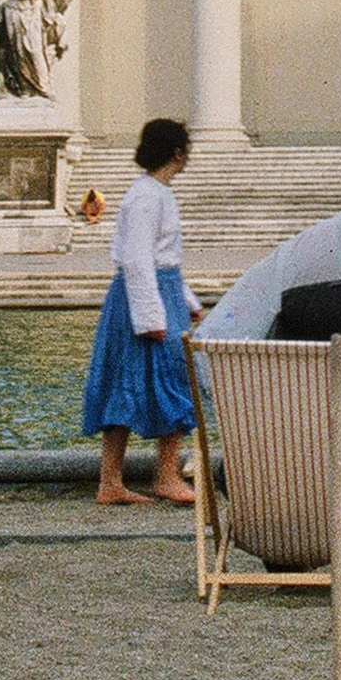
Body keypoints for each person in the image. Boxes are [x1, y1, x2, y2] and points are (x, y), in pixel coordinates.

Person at [84, 117, 201, 507]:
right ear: (178, 153)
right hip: (146, 299)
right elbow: (138, 258)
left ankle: (116, 480)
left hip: (157, 293)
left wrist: (188, 302)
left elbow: (163, 261)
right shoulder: (148, 196)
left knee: (137, 381)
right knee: (168, 379)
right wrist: (151, 318)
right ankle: (159, 476)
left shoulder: (152, 193)